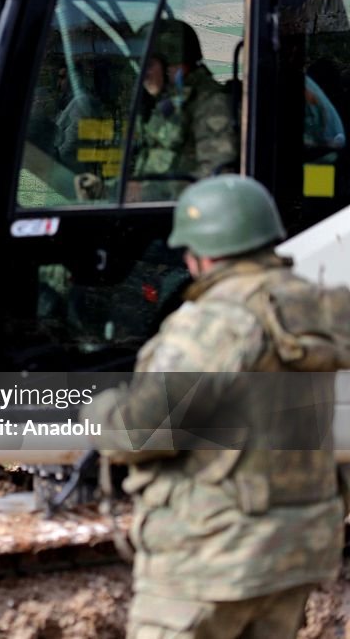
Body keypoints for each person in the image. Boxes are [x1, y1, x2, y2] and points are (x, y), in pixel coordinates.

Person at [81, 175, 348, 639]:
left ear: (201, 255)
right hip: (297, 549)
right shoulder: (315, 305)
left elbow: (139, 433)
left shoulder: (215, 322)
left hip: (212, 557)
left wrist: (98, 411)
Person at [76, 20, 238, 203]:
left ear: (175, 66)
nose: (143, 73)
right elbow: (148, 174)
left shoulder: (211, 104)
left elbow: (218, 182)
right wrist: (105, 190)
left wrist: (145, 193)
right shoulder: (168, 105)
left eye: (149, 65)